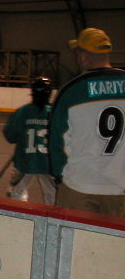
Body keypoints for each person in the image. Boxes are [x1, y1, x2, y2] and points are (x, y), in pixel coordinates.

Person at [49, 27, 125, 217]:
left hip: (80, 185)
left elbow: (57, 139)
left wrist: (58, 175)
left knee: (72, 234)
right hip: (120, 188)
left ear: (83, 57)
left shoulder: (71, 91)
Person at [3, 76, 56, 205]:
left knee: (16, 193)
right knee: (53, 196)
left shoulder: (23, 112)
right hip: (48, 163)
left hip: (25, 161)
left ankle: (18, 214)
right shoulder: (55, 113)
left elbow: (10, 135)